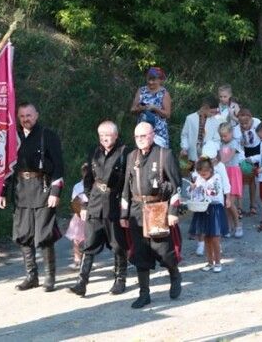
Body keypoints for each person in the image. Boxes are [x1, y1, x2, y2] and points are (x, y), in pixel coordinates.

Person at [0, 102, 65, 292]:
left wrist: (55, 192)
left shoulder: (47, 135)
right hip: (21, 190)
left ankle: (50, 277)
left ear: (36, 115)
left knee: (44, 234)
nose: (25, 119)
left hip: (43, 189)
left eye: (29, 115)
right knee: (24, 235)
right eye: (22, 116)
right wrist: (2, 192)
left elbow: (59, 166)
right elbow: (8, 167)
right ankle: (31, 276)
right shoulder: (14, 137)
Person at [120, 122, 182, 309]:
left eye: (144, 136)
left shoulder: (165, 155)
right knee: (140, 253)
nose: (140, 140)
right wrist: (124, 214)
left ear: (152, 135)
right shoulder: (131, 156)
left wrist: (173, 212)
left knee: (163, 250)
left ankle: (174, 275)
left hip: (157, 209)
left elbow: (176, 185)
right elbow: (126, 187)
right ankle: (144, 294)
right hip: (137, 210)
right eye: (137, 136)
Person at [68, 120, 130, 297]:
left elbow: (129, 181)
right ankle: (81, 283)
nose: (104, 138)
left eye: (108, 135)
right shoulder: (94, 152)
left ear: (116, 135)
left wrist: (125, 206)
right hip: (95, 203)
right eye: (101, 135)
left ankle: (120, 280)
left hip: (115, 202)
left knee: (118, 245)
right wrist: (86, 202)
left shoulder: (125, 152)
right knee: (89, 244)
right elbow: (88, 180)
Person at [188, 158, 228, 272]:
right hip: (203, 210)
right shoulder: (199, 178)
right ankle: (210, 262)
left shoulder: (217, 177)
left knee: (215, 238)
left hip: (215, 209)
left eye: (205, 173)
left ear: (210, 169)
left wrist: (201, 189)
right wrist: (192, 188)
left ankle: (218, 263)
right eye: (200, 173)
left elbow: (215, 192)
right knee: (206, 238)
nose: (203, 175)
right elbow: (193, 193)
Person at [192, 141, 231, 256]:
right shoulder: (200, 165)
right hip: (201, 202)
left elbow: (226, 182)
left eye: (212, 159)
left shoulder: (220, 167)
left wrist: (227, 197)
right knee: (201, 224)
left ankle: (217, 245)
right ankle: (201, 243)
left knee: (215, 226)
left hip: (216, 201)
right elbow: (195, 177)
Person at [130, 67, 172, 148]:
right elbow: (132, 109)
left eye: (154, 80)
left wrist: (155, 108)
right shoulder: (141, 91)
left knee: (158, 154)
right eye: (149, 79)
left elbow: (167, 114)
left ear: (160, 80)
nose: (151, 82)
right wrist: (141, 109)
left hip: (158, 132)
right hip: (142, 131)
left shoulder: (164, 93)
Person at [180, 96, 221, 170]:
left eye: (215, 112)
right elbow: (185, 135)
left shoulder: (215, 121)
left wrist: (212, 152)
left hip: (208, 157)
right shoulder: (190, 118)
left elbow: (217, 140)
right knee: (191, 174)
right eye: (211, 112)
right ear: (204, 108)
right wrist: (184, 147)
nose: (213, 114)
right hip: (192, 155)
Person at [218, 122, 244, 237]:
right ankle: (228, 226)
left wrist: (219, 163)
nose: (223, 138)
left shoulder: (234, 143)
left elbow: (229, 156)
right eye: (221, 136)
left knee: (230, 203)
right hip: (224, 173)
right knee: (225, 203)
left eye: (225, 135)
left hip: (232, 173)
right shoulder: (221, 144)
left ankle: (238, 225)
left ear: (231, 133)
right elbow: (219, 156)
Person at [234, 109, 261, 218]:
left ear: (251, 119)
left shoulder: (257, 123)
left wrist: (254, 159)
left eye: (247, 123)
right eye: (242, 124)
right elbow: (238, 147)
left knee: (252, 179)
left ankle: (253, 205)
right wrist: (243, 161)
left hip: (257, 149)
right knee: (242, 178)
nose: (244, 126)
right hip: (244, 151)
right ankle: (239, 207)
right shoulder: (236, 130)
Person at [65, 172, 87, 269]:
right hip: (79, 215)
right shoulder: (78, 186)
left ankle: (84, 259)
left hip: (85, 215)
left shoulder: (93, 185)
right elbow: (74, 201)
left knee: (85, 238)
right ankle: (77, 259)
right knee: (76, 238)